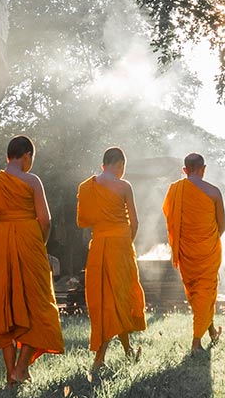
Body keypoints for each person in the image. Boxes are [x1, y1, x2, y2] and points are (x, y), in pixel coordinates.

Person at [0, 135, 64, 384]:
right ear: (26, 155)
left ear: (8, 156)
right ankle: (20, 367)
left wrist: (6, 225)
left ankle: (11, 373)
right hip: (29, 240)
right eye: (31, 159)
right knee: (37, 304)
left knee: (6, 307)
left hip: (2, 242)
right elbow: (45, 219)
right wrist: (41, 242)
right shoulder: (32, 181)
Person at [76, 146, 147, 373]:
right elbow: (134, 222)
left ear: (102, 164)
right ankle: (99, 359)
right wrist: (127, 241)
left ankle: (127, 351)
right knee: (120, 297)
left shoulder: (87, 187)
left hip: (98, 247)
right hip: (121, 246)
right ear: (120, 165)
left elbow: (82, 221)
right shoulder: (124, 186)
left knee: (106, 299)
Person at [162, 152, 225, 352]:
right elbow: (222, 226)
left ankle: (212, 332)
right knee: (205, 293)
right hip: (207, 250)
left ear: (184, 170)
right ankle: (196, 342)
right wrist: (206, 239)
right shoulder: (214, 192)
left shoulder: (175, 190)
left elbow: (170, 219)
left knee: (198, 295)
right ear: (203, 169)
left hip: (187, 251)